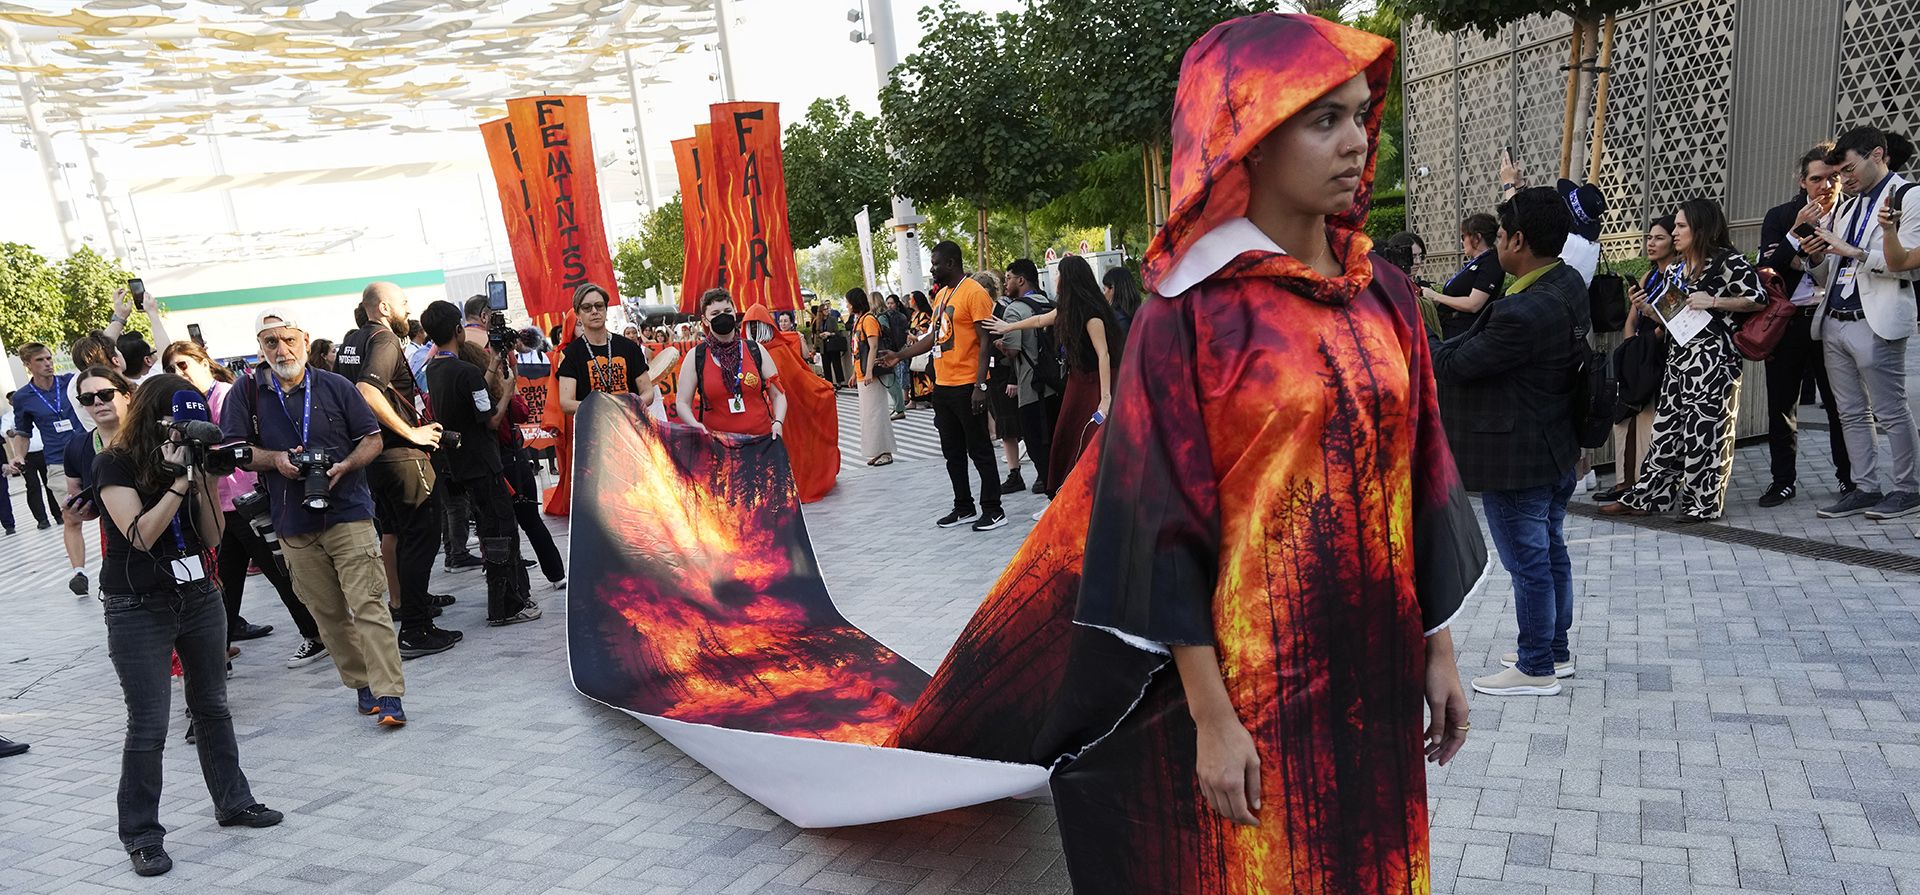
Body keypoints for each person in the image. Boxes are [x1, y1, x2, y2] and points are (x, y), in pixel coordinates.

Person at [943, 16, 1481, 888]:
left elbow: (1417, 478)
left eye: (1358, 114)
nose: (1357, 141)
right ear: (1249, 138)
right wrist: (1212, 716)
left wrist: (1438, 647)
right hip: (1262, 677)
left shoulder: (1384, 293)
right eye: (1324, 120)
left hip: (1381, 663)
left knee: (1378, 860)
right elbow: (1157, 526)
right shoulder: (1188, 316)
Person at [94, 373, 283, 877]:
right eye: (177, 425)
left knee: (213, 707)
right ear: (155, 421)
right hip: (138, 604)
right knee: (149, 724)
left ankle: (234, 801)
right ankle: (141, 836)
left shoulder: (191, 462)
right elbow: (139, 535)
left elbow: (213, 537)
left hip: (199, 595)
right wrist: (178, 482)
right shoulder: (114, 462)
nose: (183, 434)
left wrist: (206, 482)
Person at [219, 309, 410, 726]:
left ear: (305, 340)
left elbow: (372, 440)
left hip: (349, 511)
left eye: (289, 339)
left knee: (368, 605)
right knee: (328, 614)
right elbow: (236, 450)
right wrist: (276, 460)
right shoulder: (245, 392)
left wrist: (345, 465)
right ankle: (362, 683)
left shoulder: (336, 385)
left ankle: (389, 694)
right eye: (271, 342)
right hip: (292, 521)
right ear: (260, 347)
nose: (282, 350)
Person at [1432, 186, 1588, 695]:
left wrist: (1419, 332)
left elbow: (1455, 364)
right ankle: (1554, 649)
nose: (1496, 243)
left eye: (1500, 235)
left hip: (1518, 458)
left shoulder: (1522, 312)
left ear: (1517, 240)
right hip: (1557, 446)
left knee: (1529, 563)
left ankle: (1535, 666)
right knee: (1550, 550)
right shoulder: (1566, 281)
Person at [163, 341, 326, 666]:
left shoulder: (227, 394)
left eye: (183, 365)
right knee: (224, 580)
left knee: (279, 572)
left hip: (248, 498)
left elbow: (234, 443)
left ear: (203, 362)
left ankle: (315, 635)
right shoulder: (184, 408)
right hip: (217, 505)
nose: (178, 373)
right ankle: (217, 651)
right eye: (171, 369)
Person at [1604, 197, 1766, 522]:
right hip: (1679, 358)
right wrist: (1644, 306)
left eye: (1681, 226)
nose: (1675, 232)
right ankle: (1649, 497)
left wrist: (1714, 301)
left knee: (1706, 433)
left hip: (1715, 359)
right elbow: (1670, 316)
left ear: (1700, 228)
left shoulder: (1728, 262)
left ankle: (1702, 504)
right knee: (1665, 431)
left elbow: (1757, 299)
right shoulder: (1677, 269)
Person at [336, 282, 461, 659]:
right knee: (422, 537)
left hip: (375, 458)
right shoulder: (385, 339)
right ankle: (416, 629)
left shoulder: (352, 341)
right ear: (385, 308)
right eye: (404, 303)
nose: (409, 310)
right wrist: (412, 433)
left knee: (399, 534)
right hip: (400, 456)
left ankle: (410, 609)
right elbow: (366, 391)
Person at [1802, 126, 1920, 520]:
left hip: (1876, 320)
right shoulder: (1847, 208)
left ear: (1878, 155)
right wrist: (1816, 256)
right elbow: (1829, 273)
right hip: (1834, 318)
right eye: (1839, 173)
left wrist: (1853, 251)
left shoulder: (1909, 196)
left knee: (1891, 410)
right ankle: (1865, 487)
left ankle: (1908, 489)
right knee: (1850, 412)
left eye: (1849, 170)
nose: (1844, 179)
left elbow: (1906, 265)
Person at [421, 300, 542, 627]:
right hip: (484, 463)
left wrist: (491, 368)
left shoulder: (436, 368)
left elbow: (471, 396)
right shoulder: (465, 371)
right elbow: (491, 419)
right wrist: (508, 391)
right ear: (458, 330)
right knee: (501, 532)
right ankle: (507, 606)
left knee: (491, 529)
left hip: (461, 464)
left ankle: (506, 601)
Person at [879, 241, 1005, 531]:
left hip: (967, 385)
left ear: (951, 263)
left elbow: (985, 342)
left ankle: (993, 509)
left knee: (980, 449)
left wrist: (980, 385)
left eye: (936, 264)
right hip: (944, 385)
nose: (932, 269)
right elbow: (933, 338)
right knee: (952, 452)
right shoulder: (941, 295)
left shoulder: (974, 292)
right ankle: (964, 507)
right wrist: (899, 355)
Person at [1756, 143, 1853, 507]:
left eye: (1832, 178)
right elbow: (1768, 268)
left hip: (1833, 318)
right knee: (1782, 405)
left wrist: (1804, 260)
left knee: (1841, 404)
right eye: (1817, 179)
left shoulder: (1851, 213)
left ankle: (1850, 478)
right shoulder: (1782, 215)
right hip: (1788, 322)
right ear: (1802, 181)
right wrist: (1796, 232)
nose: (1825, 186)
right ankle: (1783, 481)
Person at [1594, 215, 1680, 502]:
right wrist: (1632, 346)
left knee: (1647, 421)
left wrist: (1647, 341)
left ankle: (1642, 485)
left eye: (1659, 238)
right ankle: (1624, 482)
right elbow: (1631, 318)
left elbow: (1671, 320)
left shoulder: (1678, 276)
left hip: (1658, 354)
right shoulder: (1649, 276)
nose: (1651, 243)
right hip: (1639, 352)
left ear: (1674, 243)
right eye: (1649, 237)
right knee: (1623, 420)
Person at [10, 341, 91, 593]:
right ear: (27, 364)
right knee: (71, 516)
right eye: (40, 360)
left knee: (112, 508)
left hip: (89, 453)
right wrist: (18, 456)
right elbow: (23, 433)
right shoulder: (22, 397)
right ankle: (79, 573)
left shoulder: (70, 382)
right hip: (58, 462)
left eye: (48, 358)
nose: (47, 363)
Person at [674, 288, 788, 439]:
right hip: (717, 444)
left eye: (727, 311)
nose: (723, 316)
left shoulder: (755, 350)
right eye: (715, 313)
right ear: (705, 320)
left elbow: (778, 395)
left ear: (734, 312)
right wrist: (695, 425)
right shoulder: (696, 356)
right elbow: (682, 402)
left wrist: (778, 422)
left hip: (762, 441)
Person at [996, 258, 1059, 498]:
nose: (1005, 283)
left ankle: (1053, 498)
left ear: (1021, 280)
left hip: (1031, 387)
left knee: (1036, 445)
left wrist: (999, 343)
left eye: (1008, 278)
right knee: (1056, 442)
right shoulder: (1050, 303)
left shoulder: (1014, 310)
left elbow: (1012, 351)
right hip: (1056, 384)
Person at [557, 282, 660, 416]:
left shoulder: (629, 347)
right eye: (587, 308)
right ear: (578, 314)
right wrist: (603, 408)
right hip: (592, 425)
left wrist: (627, 407)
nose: (594, 311)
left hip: (631, 422)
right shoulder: (570, 354)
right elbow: (566, 403)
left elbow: (648, 392)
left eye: (599, 306)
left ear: (606, 309)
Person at [974, 271, 1025, 489]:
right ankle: (1014, 472)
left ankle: (1032, 472)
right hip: (991, 379)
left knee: (1016, 424)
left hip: (1007, 376)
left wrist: (1014, 379)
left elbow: (1015, 348)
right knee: (1004, 427)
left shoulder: (1003, 313)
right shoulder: (980, 317)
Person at [1422, 213, 1505, 339]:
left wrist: (1436, 296)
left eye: (1463, 236)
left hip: (1466, 332)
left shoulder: (1490, 262)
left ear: (1476, 238)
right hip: (1452, 327)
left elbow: (1474, 304)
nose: (1461, 241)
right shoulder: (1477, 261)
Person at [846, 289, 896, 466]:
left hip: (871, 376)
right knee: (869, 415)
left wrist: (868, 372)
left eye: (849, 302)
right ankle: (877, 450)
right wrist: (855, 373)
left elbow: (873, 347)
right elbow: (858, 351)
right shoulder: (859, 320)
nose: (847, 306)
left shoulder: (868, 320)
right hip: (862, 375)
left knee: (877, 413)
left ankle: (885, 452)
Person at [907, 291, 935, 407]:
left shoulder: (924, 314)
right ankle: (914, 399)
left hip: (921, 346)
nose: (909, 301)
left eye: (910, 299)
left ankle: (927, 398)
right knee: (914, 372)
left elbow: (926, 331)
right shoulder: (914, 314)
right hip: (913, 347)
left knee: (923, 373)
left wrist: (915, 337)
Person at [818, 304, 849, 388]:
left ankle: (839, 383)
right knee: (826, 366)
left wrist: (829, 334)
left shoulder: (832, 319)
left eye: (827, 309)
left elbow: (838, 332)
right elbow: (816, 333)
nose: (827, 311)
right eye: (824, 309)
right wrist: (820, 335)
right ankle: (829, 384)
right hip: (823, 345)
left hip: (832, 344)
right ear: (821, 311)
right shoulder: (818, 321)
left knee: (836, 364)